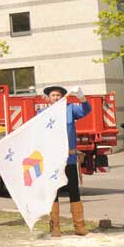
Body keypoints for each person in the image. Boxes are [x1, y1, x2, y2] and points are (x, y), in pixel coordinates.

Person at [45, 85, 92, 237]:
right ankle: (55, 227)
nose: (56, 97)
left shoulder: (70, 109)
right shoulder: (43, 114)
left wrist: (82, 98)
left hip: (69, 158)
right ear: (48, 98)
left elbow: (87, 111)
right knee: (54, 192)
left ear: (63, 97)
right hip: (52, 160)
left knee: (73, 190)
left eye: (58, 95)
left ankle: (79, 226)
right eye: (53, 95)